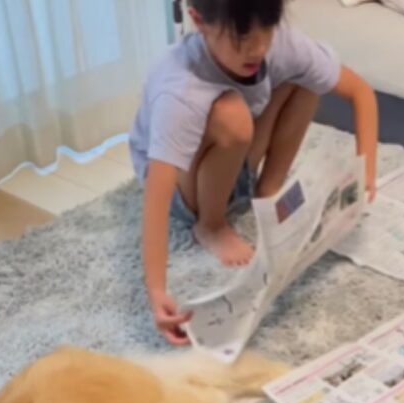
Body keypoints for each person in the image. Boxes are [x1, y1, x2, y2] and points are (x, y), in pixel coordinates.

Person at [129, 0, 378, 344]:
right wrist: (157, 291)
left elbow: (360, 92)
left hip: (235, 159)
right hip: (183, 189)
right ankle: (211, 224)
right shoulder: (179, 89)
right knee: (232, 116)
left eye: (267, 30)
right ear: (198, 21)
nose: (258, 48)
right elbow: (156, 198)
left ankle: (267, 189)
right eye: (242, 36)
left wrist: (365, 173)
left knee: (305, 80)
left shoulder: (278, 45)